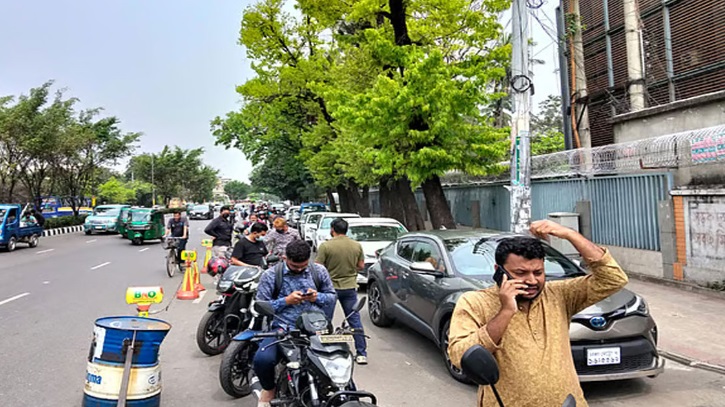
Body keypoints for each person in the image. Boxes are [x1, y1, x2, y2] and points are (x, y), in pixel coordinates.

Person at [447, 220, 628, 407]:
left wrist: (569, 234)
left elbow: (613, 278)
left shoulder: (559, 294)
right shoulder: (474, 302)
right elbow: (459, 356)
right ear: (498, 271)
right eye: (521, 273)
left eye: (538, 272)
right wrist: (506, 311)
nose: (532, 281)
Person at [254, 240, 336, 407]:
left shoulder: (319, 271)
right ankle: (269, 388)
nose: (299, 270)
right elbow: (261, 305)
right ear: (285, 258)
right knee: (262, 359)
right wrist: (286, 301)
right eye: (294, 266)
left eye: (303, 266)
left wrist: (317, 297)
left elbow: (332, 296)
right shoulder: (271, 275)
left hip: (316, 329)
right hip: (284, 328)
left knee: (339, 362)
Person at [315, 218, 368, 364]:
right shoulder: (356, 245)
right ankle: (361, 353)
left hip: (330, 288)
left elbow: (318, 267)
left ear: (332, 229)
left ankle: (323, 351)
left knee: (324, 321)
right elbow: (361, 266)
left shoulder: (326, 246)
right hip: (350, 287)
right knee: (354, 320)